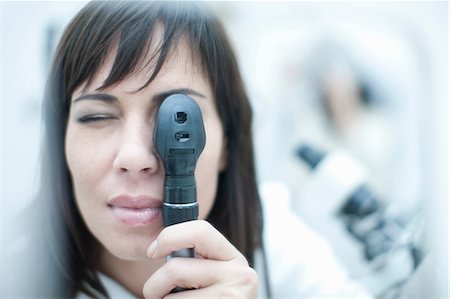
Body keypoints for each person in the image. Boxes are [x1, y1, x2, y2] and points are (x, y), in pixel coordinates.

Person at [4, 1, 372, 298]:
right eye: (98, 116)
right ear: (60, 143)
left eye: (176, 116)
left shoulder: (273, 236)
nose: (134, 157)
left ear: (227, 141)